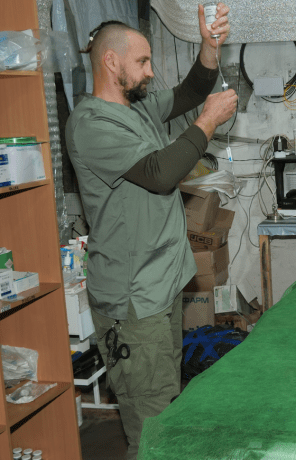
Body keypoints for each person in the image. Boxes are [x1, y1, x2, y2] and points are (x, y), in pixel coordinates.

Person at [65, 5, 237, 458]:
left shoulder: (135, 106)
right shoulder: (91, 125)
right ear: (110, 62)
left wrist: (209, 47)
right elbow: (161, 173)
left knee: (166, 403)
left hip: (159, 288)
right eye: (142, 61)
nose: (150, 70)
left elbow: (189, 91)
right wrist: (208, 122)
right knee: (152, 422)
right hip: (131, 299)